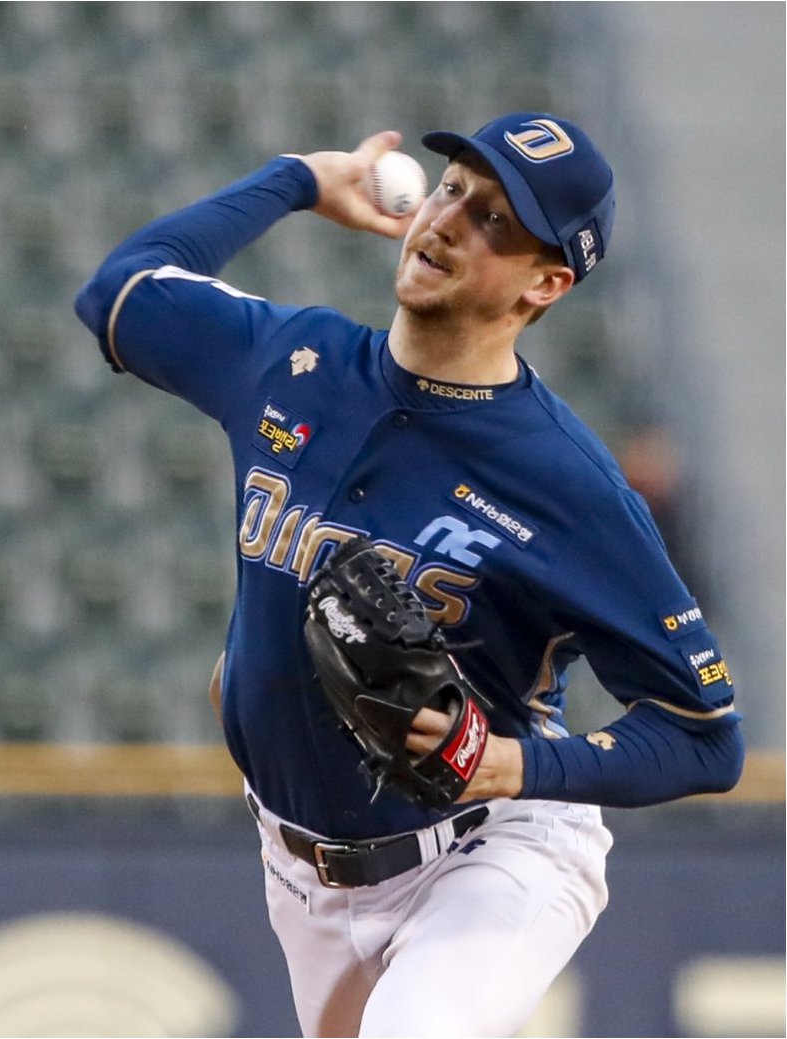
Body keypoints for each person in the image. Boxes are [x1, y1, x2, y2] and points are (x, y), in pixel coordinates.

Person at [75, 112, 744, 1038]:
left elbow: (704, 738)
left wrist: (516, 763)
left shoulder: (569, 486)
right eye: (454, 189)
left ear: (546, 283)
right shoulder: (293, 362)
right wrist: (297, 180)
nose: (448, 221)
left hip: (488, 853)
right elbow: (117, 291)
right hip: (303, 874)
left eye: (495, 222)